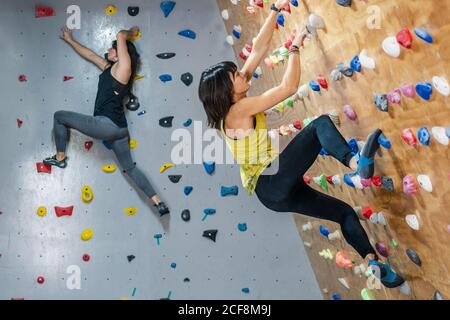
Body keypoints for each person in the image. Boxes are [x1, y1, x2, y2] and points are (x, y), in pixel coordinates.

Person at [198, 1, 404, 288]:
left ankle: (373, 262)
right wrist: (294, 48)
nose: (241, 74)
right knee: (320, 125)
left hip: (273, 193)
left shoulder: (231, 107)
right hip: (270, 181)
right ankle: (358, 165)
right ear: (226, 92)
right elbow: (287, 89)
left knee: (343, 213)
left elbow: (258, 48)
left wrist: (274, 9)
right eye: (235, 75)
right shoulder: (237, 112)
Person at [43, 26, 170, 216]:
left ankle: (60, 158)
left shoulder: (123, 69)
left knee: (59, 116)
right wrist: (70, 40)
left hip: (106, 125)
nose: (108, 51)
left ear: (121, 55)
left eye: (113, 49)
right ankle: (158, 202)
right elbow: (91, 55)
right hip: (120, 131)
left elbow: (120, 35)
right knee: (130, 168)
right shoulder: (110, 69)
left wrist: (131, 32)